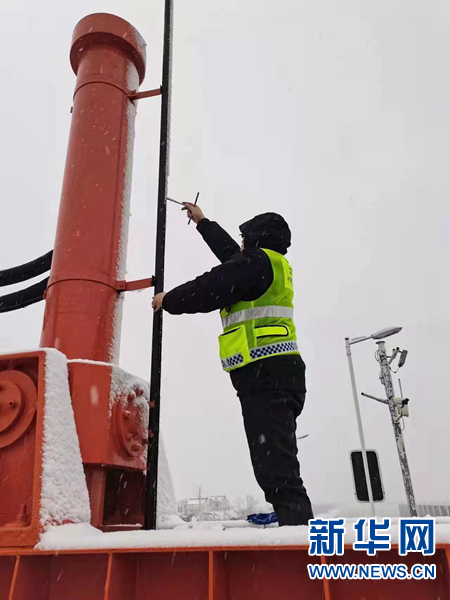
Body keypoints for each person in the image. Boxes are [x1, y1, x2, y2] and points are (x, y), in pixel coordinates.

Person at [152, 203, 314, 526]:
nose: (240, 244)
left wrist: (166, 300)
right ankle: (289, 516)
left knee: (277, 468)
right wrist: (203, 223)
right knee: (277, 462)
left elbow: (212, 286)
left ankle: (297, 529)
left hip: (266, 375)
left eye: (244, 238)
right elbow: (231, 260)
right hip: (276, 375)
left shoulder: (256, 264)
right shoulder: (268, 264)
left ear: (256, 239)